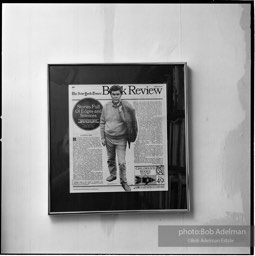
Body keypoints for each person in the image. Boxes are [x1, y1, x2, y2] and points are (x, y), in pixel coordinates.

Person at [100, 85, 138, 192]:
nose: (115, 96)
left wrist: (122, 112)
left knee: (122, 162)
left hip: (121, 138)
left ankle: (124, 181)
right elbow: (102, 121)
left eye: (117, 94)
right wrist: (102, 137)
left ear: (121, 94)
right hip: (108, 138)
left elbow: (131, 123)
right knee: (110, 159)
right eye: (113, 94)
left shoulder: (126, 107)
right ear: (110, 95)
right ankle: (113, 175)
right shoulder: (106, 106)